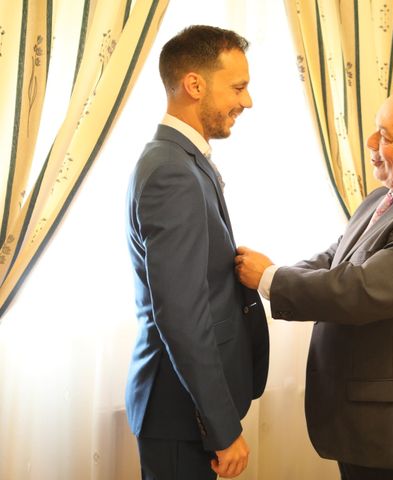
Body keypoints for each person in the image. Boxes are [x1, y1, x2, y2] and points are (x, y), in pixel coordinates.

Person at [235, 87, 393, 480]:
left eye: (385, 136)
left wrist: (270, 279)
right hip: (370, 428)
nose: (370, 143)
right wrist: (270, 272)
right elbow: (335, 259)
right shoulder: (384, 198)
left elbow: (359, 290)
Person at [125, 25, 269, 480]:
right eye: (239, 87)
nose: (247, 102)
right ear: (194, 85)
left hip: (185, 409)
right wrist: (223, 429)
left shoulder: (182, 160)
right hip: (181, 413)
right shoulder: (173, 172)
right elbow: (182, 316)